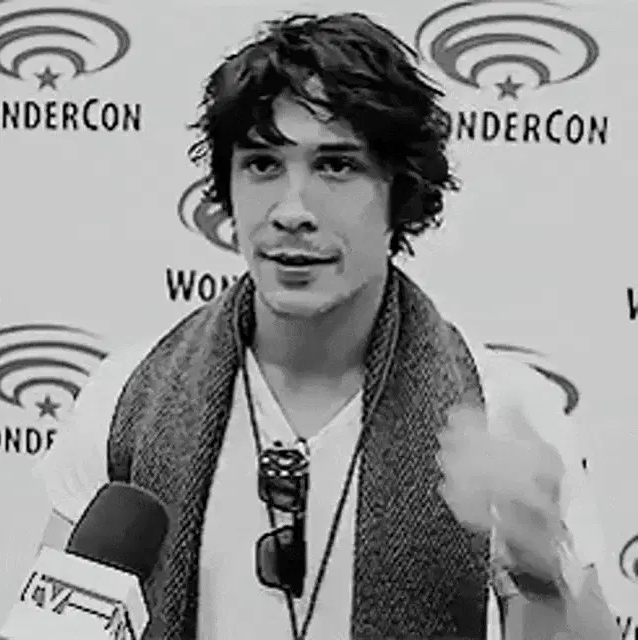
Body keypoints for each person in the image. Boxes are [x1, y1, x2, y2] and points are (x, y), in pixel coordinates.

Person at [32, 11, 618, 640]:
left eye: (336, 166)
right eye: (262, 165)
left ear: (400, 191)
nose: (292, 210)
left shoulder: (501, 412)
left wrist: (541, 572)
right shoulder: (128, 401)